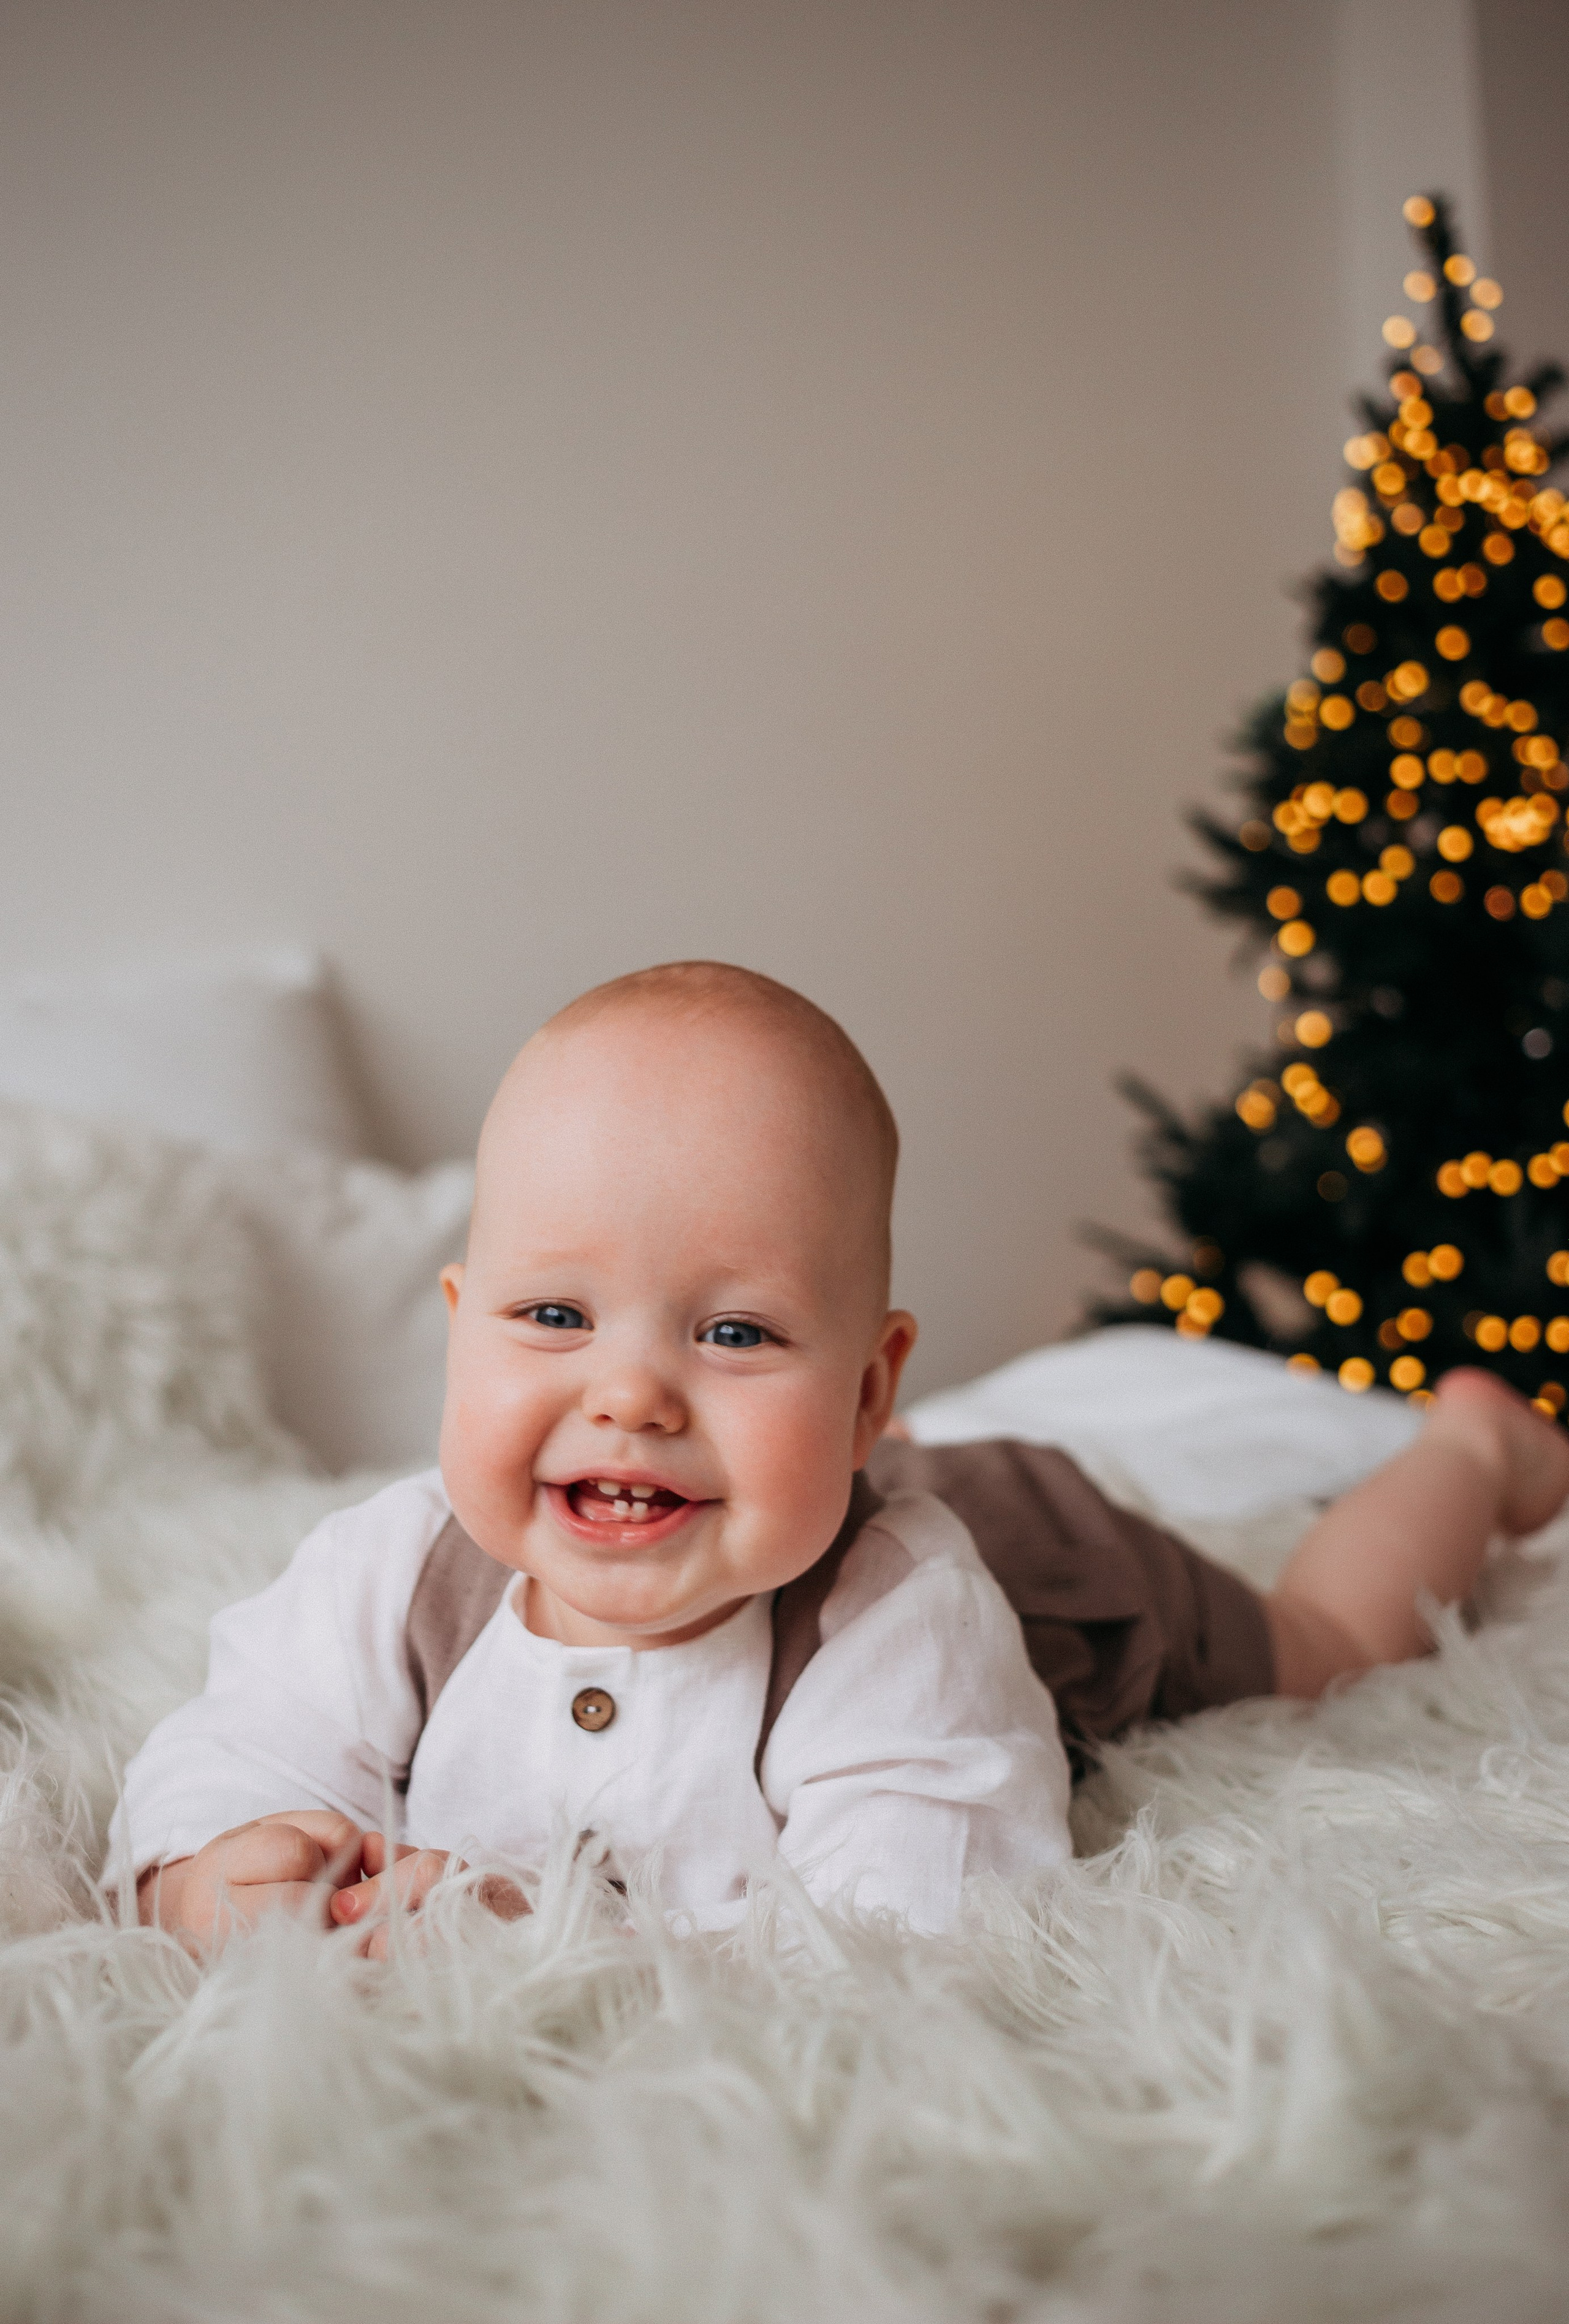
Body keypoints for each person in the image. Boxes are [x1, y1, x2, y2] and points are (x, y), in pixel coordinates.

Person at [115, 963, 1569, 1951]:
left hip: (1039, 1563)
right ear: (458, 1333)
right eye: (553, 1315)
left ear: (869, 1387)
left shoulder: (899, 1624)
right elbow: (239, 1740)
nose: (628, 1394)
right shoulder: (394, 1565)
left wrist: (528, 1935)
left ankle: (1473, 1447)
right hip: (826, 1482)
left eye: (736, 1333)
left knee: (1320, 1647)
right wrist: (206, 1870)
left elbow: (912, 1942)